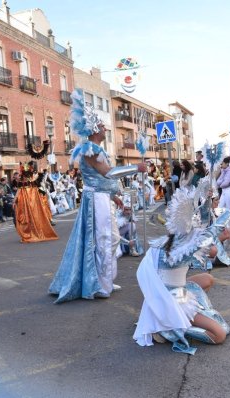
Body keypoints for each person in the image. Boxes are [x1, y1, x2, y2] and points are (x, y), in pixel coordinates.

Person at [49, 89, 146, 303]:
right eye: (102, 126)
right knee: (104, 240)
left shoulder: (95, 149)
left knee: (109, 239)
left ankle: (106, 279)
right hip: (96, 202)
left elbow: (104, 180)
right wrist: (135, 168)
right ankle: (99, 283)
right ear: (94, 130)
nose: (105, 128)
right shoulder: (89, 150)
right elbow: (108, 173)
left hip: (103, 199)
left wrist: (114, 197)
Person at [133, 191, 230, 353]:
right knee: (219, 334)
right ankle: (170, 329)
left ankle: (182, 319)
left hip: (171, 289)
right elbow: (210, 235)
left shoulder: (174, 239)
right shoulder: (177, 250)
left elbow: (208, 245)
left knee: (207, 278)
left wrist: (206, 199)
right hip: (173, 300)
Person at [13, 161, 59, 243]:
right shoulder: (27, 184)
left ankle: (34, 231)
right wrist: (15, 200)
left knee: (33, 215)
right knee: (29, 216)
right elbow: (19, 191)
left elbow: (40, 183)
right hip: (27, 202)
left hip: (33, 201)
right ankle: (33, 231)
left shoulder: (33, 182)